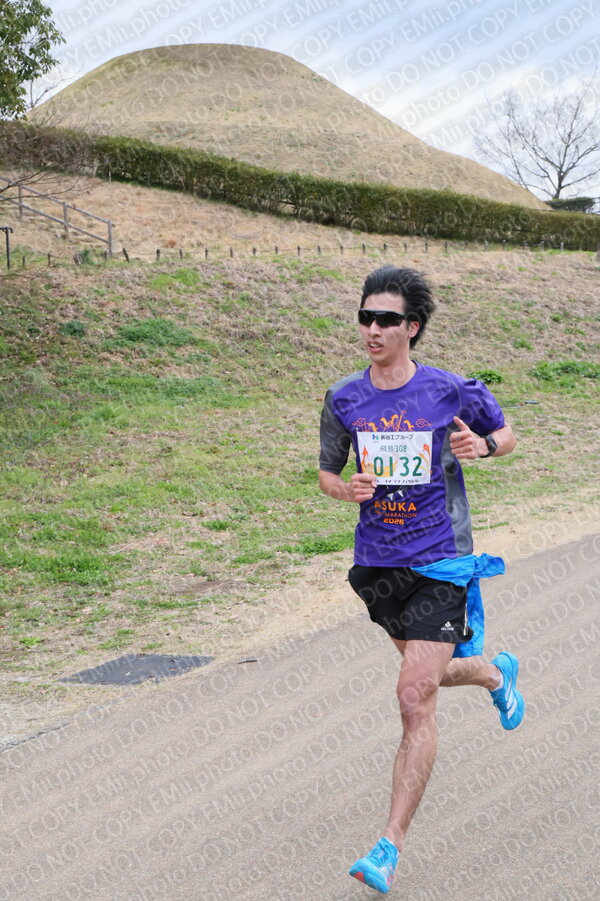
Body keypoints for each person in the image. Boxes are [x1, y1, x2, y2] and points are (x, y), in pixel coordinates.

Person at [318, 265, 524, 894]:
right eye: (365, 317)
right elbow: (327, 474)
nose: (372, 329)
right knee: (428, 674)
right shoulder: (343, 397)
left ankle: (388, 847)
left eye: (386, 319)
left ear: (411, 327)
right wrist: (346, 489)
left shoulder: (449, 389)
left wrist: (484, 448)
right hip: (378, 566)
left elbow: (507, 434)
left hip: (441, 560)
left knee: (413, 696)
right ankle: (494, 673)